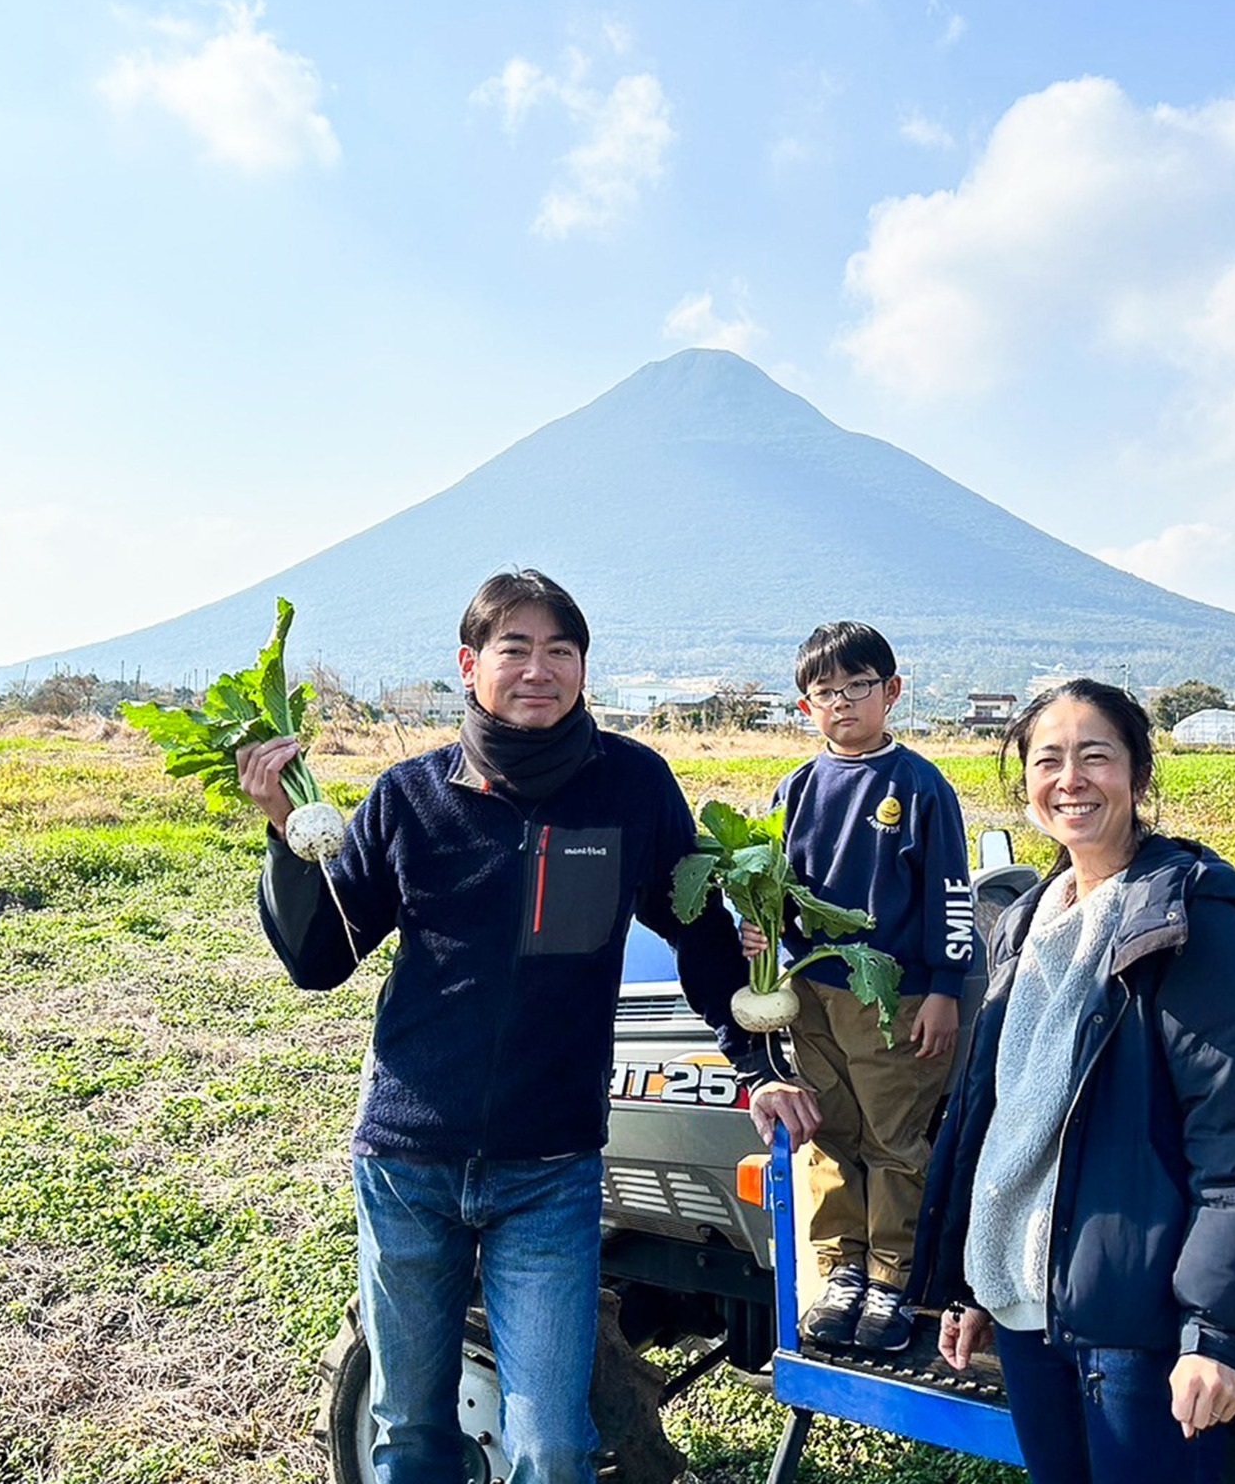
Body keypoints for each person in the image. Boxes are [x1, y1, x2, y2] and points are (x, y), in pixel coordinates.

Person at [238, 569, 815, 1484]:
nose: (537, 669)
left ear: (583, 669)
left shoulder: (631, 787)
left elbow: (701, 936)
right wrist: (284, 837)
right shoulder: (411, 798)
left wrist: (758, 1062)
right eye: (514, 648)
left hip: (549, 1169)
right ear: (471, 667)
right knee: (408, 1427)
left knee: (551, 1441)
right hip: (410, 1162)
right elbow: (320, 959)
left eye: (560, 650)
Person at [911, 679, 1235, 1484]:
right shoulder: (1027, 919)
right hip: (1028, 1302)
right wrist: (975, 1284)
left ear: (1139, 776)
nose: (1070, 779)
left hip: (1138, 1319)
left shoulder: (1189, 920)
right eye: (1048, 760)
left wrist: (1213, 1333)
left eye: (1095, 756)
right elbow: (999, 1120)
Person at [741, 621, 974, 1352]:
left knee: (895, 1137)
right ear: (806, 706)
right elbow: (770, 885)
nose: (841, 702)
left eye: (857, 687)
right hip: (809, 997)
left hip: (892, 999)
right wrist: (758, 932)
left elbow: (953, 894)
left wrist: (944, 988)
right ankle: (840, 1268)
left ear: (891, 692)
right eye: (824, 692)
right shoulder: (797, 788)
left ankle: (892, 1276)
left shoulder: (919, 786)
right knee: (827, 1132)